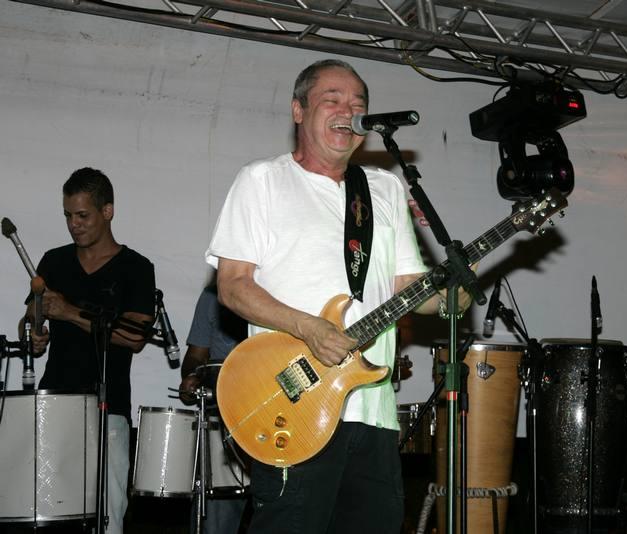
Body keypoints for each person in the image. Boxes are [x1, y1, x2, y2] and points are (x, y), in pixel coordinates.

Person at [205, 58, 471, 534]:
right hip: (294, 403)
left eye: (357, 104)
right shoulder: (262, 180)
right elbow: (233, 285)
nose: (347, 112)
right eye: (332, 100)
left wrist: (450, 299)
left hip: (373, 410)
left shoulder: (384, 188)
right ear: (298, 110)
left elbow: (407, 287)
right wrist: (309, 327)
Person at [22, 167, 155, 534]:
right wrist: (33, 333)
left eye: (82, 215)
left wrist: (68, 312)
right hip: (53, 403)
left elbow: (134, 337)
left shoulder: (136, 268)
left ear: (107, 211)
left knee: (107, 514)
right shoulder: (54, 261)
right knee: (47, 511)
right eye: (68, 215)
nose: (74, 225)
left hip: (108, 407)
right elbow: (29, 318)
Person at [179, 283, 249, 533]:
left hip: (276, 415)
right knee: (216, 520)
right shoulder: (212, 294)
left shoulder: (279, 286)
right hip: (221, 418)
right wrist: (193, 375)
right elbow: (196, 355)